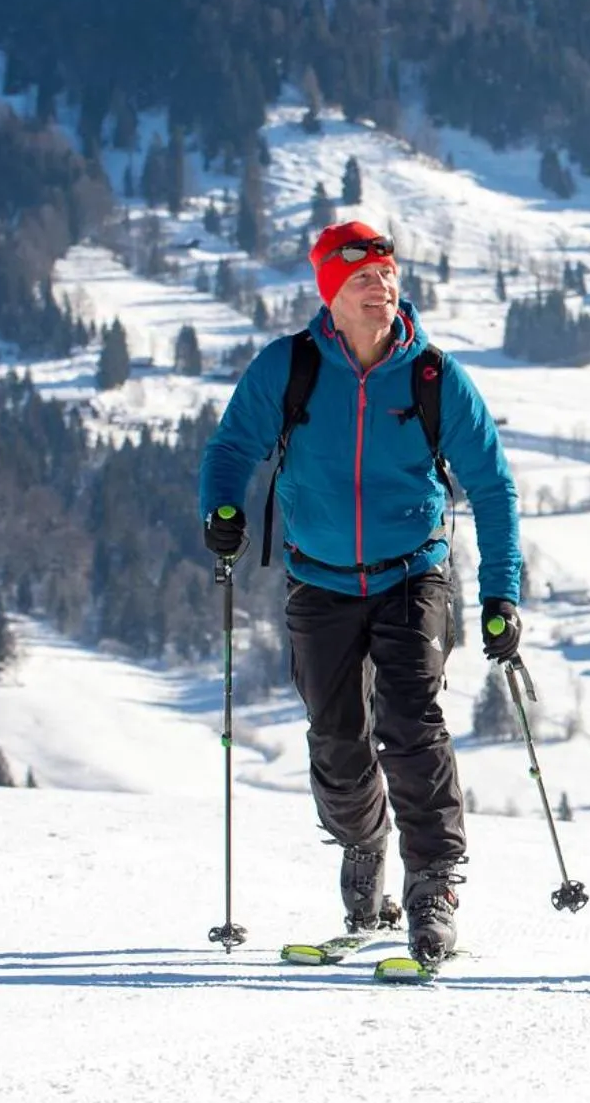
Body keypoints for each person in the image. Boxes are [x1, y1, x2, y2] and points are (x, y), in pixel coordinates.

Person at [198, 220, 522, 964]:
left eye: (387, 274)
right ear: (331, 295)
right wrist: (222, 511)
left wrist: (500, 594)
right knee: (336, 741)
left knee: (412, 725)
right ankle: (364, 841)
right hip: (319, 578)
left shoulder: (434, 377)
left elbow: (493, 487)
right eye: (362, 279)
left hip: (412, 574)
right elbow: (231, 447)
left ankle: (433, 886)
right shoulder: (290, 368)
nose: (381, 287)